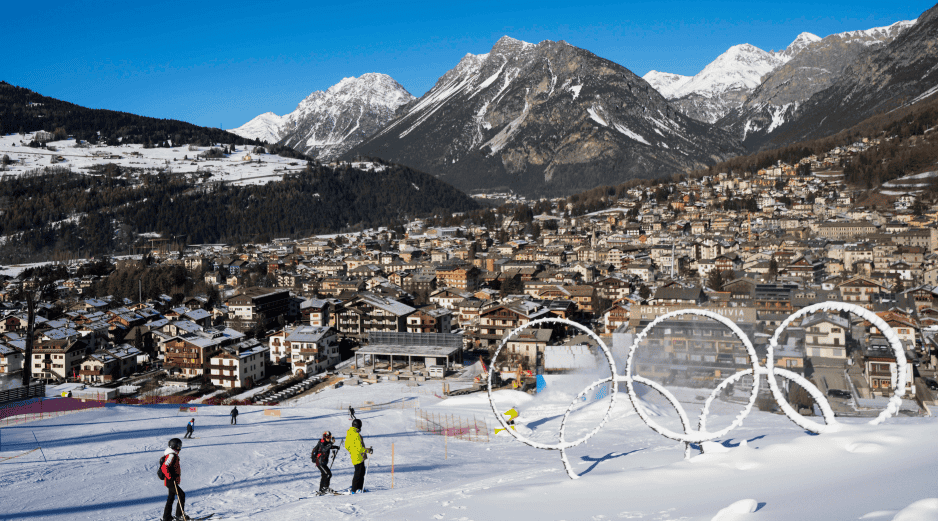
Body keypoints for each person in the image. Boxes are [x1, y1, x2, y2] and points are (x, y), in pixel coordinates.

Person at [161, 438, 188, 521]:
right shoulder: (171, 455)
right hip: (170, 481)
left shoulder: (173, 455)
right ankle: (179, 515)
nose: (180, 447)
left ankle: (167, 517)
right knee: (181, 495)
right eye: (179, 445)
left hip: (172, 480)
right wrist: (170, 476)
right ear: (174, 446)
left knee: (171, 498)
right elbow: (164, 467)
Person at [344, 418, 372, 494]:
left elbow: (346, 446)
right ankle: (355, 489)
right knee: (359, 473)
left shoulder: (349, 433)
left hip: (354, 456)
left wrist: (352, 451)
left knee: (360, 471)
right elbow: (359, 448)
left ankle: (358, 488)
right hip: (359, 456)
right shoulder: (356, 435)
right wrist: (368, 450)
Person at [312, 431, 340, 495]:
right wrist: (331, 443)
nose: (329, 438)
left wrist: (335, 447)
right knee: (328, 474)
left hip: (322, 462)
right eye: (327, 437)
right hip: (319, 462)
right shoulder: (321, 442)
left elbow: (328, 447)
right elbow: (324, 449)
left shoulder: (326, 442)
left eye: (330, 437)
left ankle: (321, 490)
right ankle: (325, 488)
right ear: (324, 437)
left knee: (324, 475)